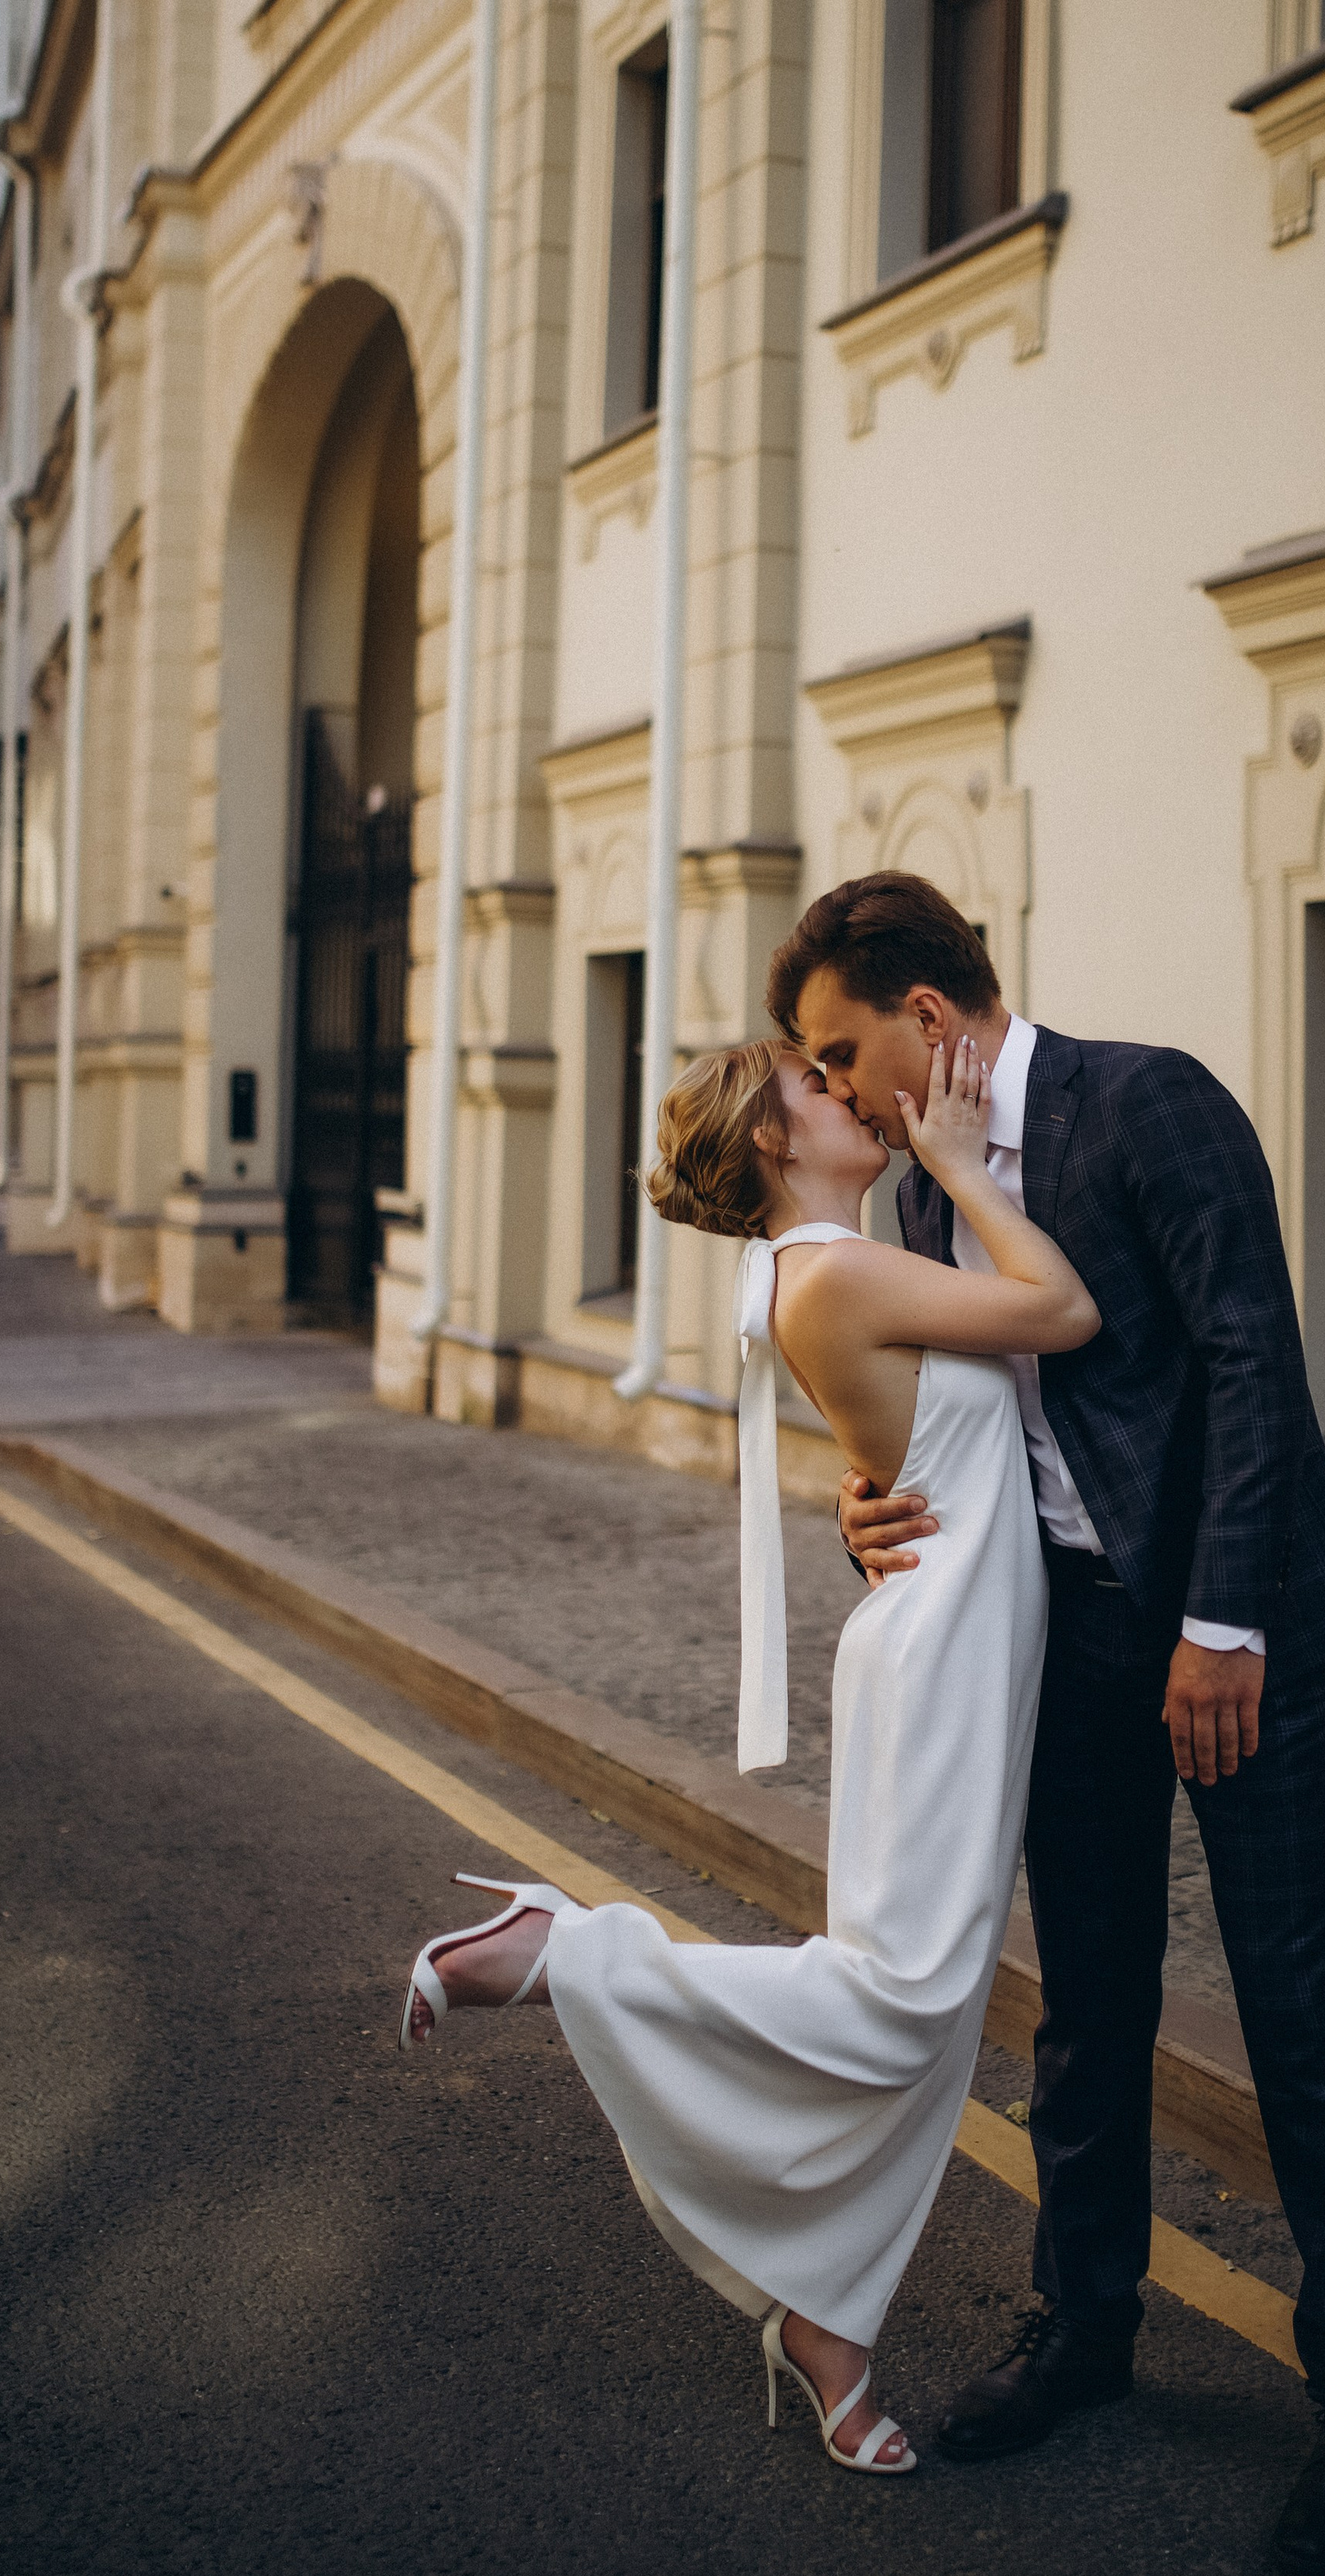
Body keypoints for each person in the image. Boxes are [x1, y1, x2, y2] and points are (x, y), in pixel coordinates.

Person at [770, 873, 1325, 2576]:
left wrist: (1220, 1624)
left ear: (927, 1018)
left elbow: (1248, 1367)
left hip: (1236, 1622)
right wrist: (867, 1502)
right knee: (1088, 2003)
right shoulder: (923, 1200)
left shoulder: (1152, 1099)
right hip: (1052, 1640)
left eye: (841, 1058)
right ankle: (1084, 2328)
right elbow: (942, 1410)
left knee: (1298, 2009)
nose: (833, 1096)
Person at [396, 1031, 1098, 2475]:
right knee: (903, 2000)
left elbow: (914, 1441)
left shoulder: (820, 1265)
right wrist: (965, 1168)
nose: (846, 1091)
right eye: (814, 1085)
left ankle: (827, 2320)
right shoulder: (831, 1269)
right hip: (948, 1658)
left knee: (928, 2020)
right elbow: (1063, 1312)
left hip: (955, 1644)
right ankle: (566, 1952)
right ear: (775, 1141)